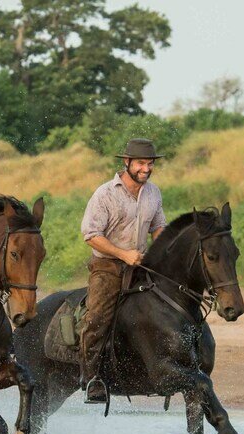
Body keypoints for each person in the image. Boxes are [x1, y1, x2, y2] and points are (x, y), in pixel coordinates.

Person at [79, 138, 167, 404]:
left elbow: (159, 227)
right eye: (140, 163)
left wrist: (162, 252)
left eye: (150, 164)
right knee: (96, 319)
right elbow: (91, 235)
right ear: (126, 162)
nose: (146, 169)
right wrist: (123, 254)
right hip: (107, 266)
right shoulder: (105, 194)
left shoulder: (153, 193)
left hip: (141, 263)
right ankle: (91, 378)